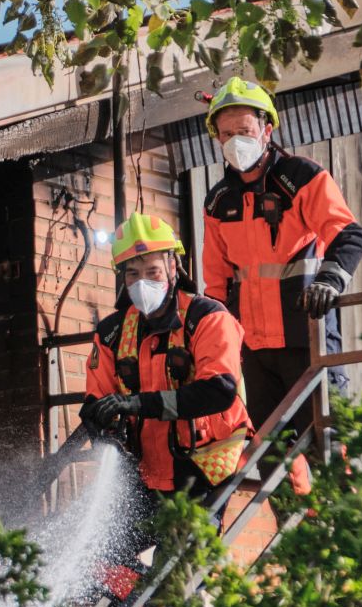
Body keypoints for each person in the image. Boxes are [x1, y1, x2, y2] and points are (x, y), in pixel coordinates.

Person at [198, 77, 362, 490]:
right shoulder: (218, 202)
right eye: (226, 134)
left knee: (328, 444)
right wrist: (216, 348)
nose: (235, 141)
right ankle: (299, 527)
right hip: (253, 352)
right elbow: (217, 285)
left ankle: (347, 524)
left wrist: (330, 280)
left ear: (267, 129)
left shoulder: (301, 177)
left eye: (244, 131)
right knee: (271, 458)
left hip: (305, 336)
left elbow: (350, 235)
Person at [81, 214, 254, 525]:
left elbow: (219, 390)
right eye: (133, 274)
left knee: (180, 554)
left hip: (203, 471)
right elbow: (95, 403)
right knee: (105, 552)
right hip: (144, 473)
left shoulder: (208, 317)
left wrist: (137, 404)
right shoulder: (112, 333)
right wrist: (107, 430)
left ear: (174, 267)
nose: (142, 282)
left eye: (153, 272)